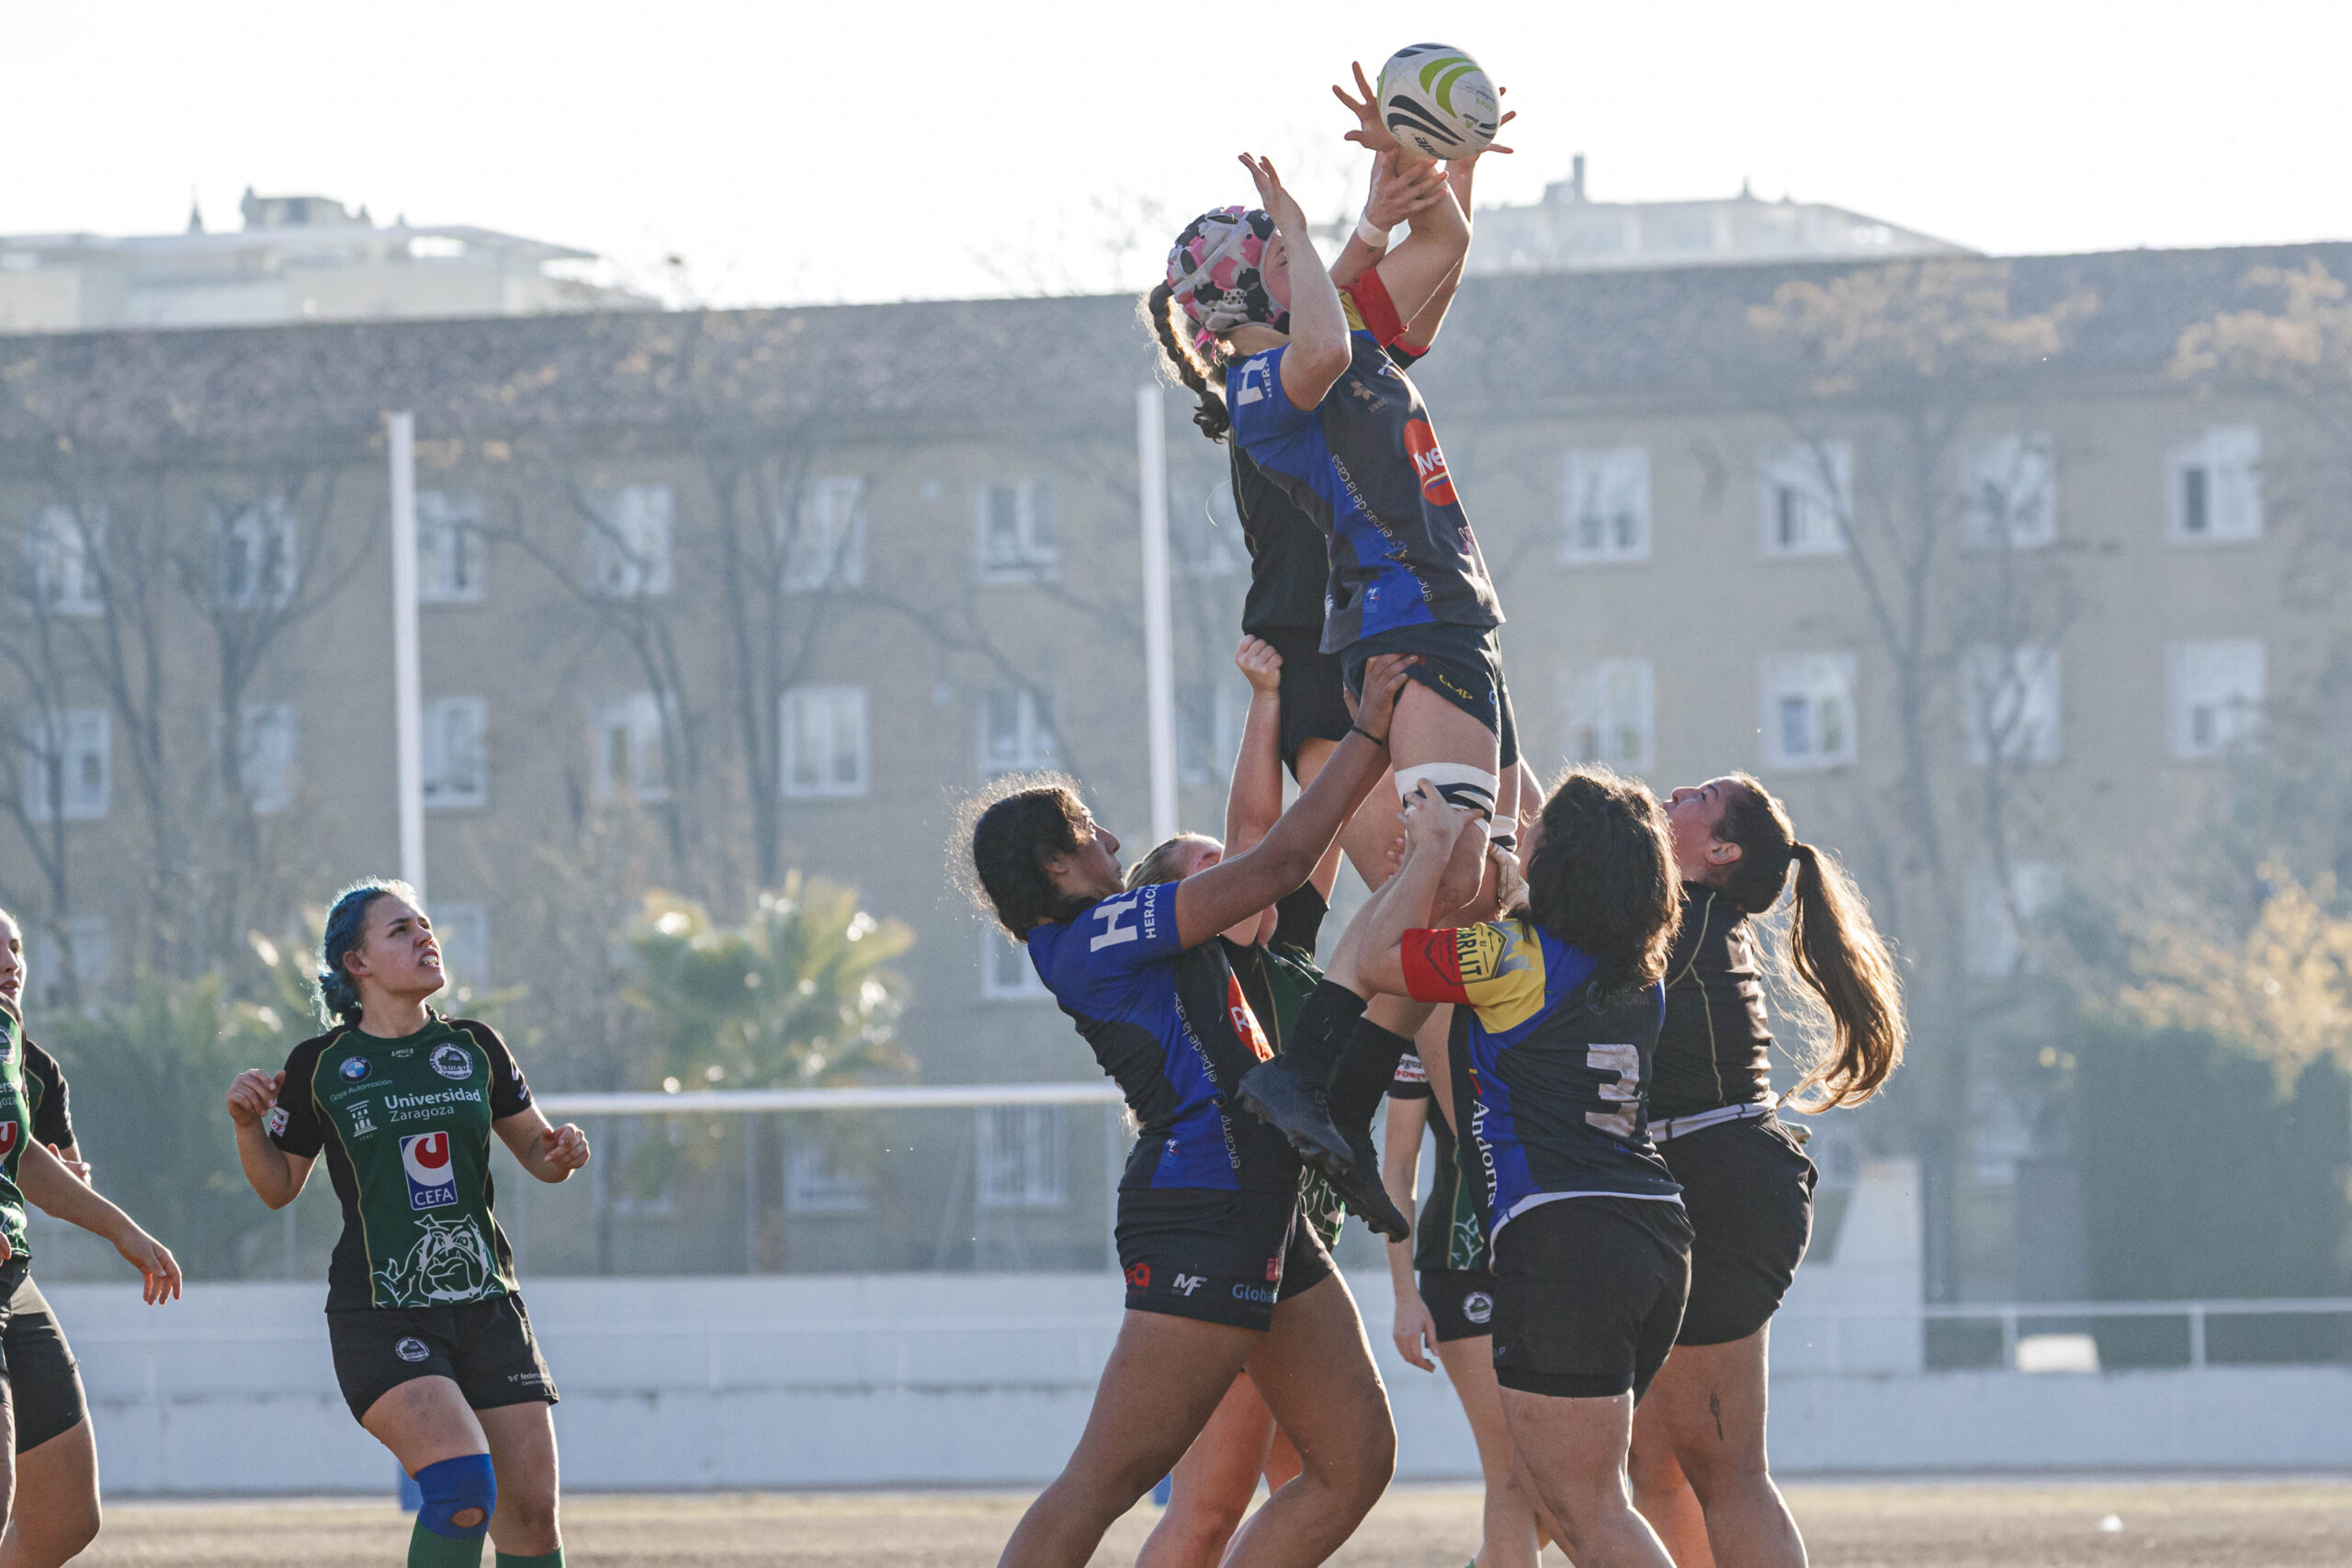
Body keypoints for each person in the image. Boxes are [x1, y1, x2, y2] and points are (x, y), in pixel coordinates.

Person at [965, 656, 1409, 1568]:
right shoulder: (1092, 937)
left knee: (1354, 1461)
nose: (1112, 842)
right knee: (1106, 1481)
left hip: (1262, 1207)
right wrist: (1369, 732)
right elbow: (1276, 859)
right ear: (1053, 865)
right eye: (1090, 834)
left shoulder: (1118, 924)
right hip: (1202, 1210)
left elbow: (1266, 857)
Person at [1146, 139, 1520, 1211]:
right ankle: (1380, 1134)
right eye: (1268, 248)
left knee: (1470, 882)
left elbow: (1440, 244)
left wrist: (1439, 160)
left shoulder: (1330, 329)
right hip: (1378, 641)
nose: (1291, 248)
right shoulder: (1278, 372)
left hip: (1441, 620)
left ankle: (1336, 1105)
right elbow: (1320, 333)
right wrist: (1324, 231)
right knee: (1432, 873)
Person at [1351, 767, 1691, 1568]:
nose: (1520, 827)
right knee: (1576, 1502)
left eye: (1535, 826)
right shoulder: (1643, 971)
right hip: (1652, 1236)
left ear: (1562, 857)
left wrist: (1430, 853)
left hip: (1564, 1237)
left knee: (1588, 1511)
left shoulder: (1512, 957)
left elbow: (1372, 957)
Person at [1132, 637, 1408, 1568]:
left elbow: (1308, 832)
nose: (1230, 866)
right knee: (1206, 1513)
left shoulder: (1283, 949)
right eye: (1202, 866)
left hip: (1299, 1236)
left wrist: (1362, 723)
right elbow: (1259, 833)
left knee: (1309, 1488)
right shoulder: (1219, 954)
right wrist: (1265, 700)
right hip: (1242, 1232)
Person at [227, 880, 591, 1568]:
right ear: (355, 963)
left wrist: (564, 1150)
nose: (425, 936)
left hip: (487, 1304)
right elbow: (278, 1187)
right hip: (382, 1311)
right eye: (400, 930)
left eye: (425, 925)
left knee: (533, 1521)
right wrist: (248, 1128)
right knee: (460, 1488)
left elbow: (541, 1155)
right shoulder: (321, 1064)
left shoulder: (475, 1045)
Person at [1626, 775, 1907, 1568]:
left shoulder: (1684, 923)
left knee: (1728, 1469)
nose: (1677, 791)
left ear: (1720, 851)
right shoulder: (1681, 915)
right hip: (1696, 1184)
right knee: (1651, 1460)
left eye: (1702, 795)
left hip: (1725, 1190)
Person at [0, 908, 183, 1566]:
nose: (11, 960)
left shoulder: (29, 1062)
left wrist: (118, 1226)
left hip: (12, 1277)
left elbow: (32, 1158)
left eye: (17, 946)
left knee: (66, 1518)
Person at [1382, 1015, 1561, 1568]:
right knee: (1510, 1472)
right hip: (1461, 1268)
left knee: (1566, 1481)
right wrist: (1404, 1294)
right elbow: (1398, 1166)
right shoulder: (1431, 1021)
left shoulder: (1554, 994)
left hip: (1555, 1263)